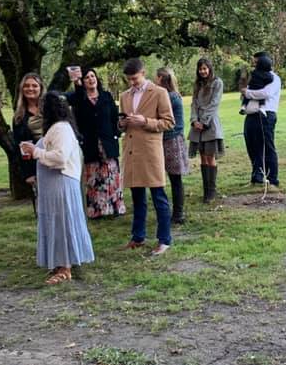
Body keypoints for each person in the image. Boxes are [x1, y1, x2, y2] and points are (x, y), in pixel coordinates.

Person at [20, 93, 95, 284]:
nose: (39, 110)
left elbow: (60, 157)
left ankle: (65, 266)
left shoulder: (62, 128)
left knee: (62, 223)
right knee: (56, 222)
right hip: (52, 185)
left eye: (42, 106)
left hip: (61, 183)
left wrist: (35, 151)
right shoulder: (55, 128)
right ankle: (59, 261)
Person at [119, 59, 174, 255]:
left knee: (158, 196)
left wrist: (146, 121)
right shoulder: (124, 96)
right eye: (129, 79)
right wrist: (122, 124)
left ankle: (164, 239)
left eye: (135, 78)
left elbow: (169, 122)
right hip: (131, 151)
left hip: (150, 152)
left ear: (143, 73)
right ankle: (138, 237)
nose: (132, 82)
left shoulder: (159, 92)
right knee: (137, 198)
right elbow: (122, 122)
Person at [69, 68, 125, 218]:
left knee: (111, 174)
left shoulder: (106, 96)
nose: (90, 79)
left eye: (92, 76)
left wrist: (116, 133)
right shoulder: (79, 99)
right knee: (94, 177)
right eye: (87, 77)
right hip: (90, 143)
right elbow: (73, 103)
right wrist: (76, 82)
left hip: (108, 142)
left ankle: (115, 207)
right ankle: (97, 210)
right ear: (83, 81)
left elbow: (114, 117)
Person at [241, 52, 281, 187]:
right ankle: (257, 175)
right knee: (252, 145)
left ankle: (272, 178)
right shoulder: (255, 76)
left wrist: (247, 93)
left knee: (267, 147)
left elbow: (266, 93)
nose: (254, 65)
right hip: (251, 114)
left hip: (266, 115)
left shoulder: (274, 78)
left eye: (256, 62)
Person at [156, 67, 190, 224]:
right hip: (171, 139)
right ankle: (177, 212)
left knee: (174, 179)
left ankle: (178, 212)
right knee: (174, 179)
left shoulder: (169, 97)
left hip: (171, 140)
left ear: (160, 78)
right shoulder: (173, 95)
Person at [189, 58, 224, 204]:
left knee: (210, 157)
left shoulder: (217, 83)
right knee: (202, 157)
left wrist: (203, 122)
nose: (202, 71)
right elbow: (193, 103)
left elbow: (214, 103)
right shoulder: (197, 84)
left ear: (209, 68)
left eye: (204, 68)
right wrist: (194, 120)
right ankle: (206, 190)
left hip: (210, 124)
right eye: (200, 69)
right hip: (197, 126)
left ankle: (211, 192)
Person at [11, 72, 45, 208]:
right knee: (41, 204)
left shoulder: (50, 109)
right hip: (34, 164)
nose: (30, 88)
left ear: (41, 88)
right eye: (26, 86)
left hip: (55, 159)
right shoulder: (19, 117)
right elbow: (20, 147)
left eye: (34, 85)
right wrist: (28, 174)